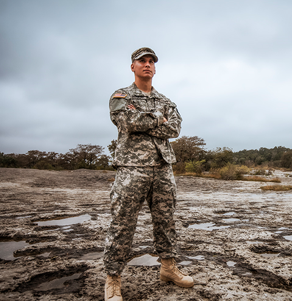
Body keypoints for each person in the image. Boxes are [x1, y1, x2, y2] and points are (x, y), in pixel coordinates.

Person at [103, 47, 193, 301]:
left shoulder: (166, 101)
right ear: (132, 66)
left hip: (163, 168)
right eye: (141, 60)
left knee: (166, 222)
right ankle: (112, 279)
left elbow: (174, 129)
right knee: (122, 225)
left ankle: (168, 268)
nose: (147, 64)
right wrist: (158, 120)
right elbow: (127, 122)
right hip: (132, 169)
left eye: (151, 61)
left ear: (155, 67)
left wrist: (147, 119)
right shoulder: (121, 95)